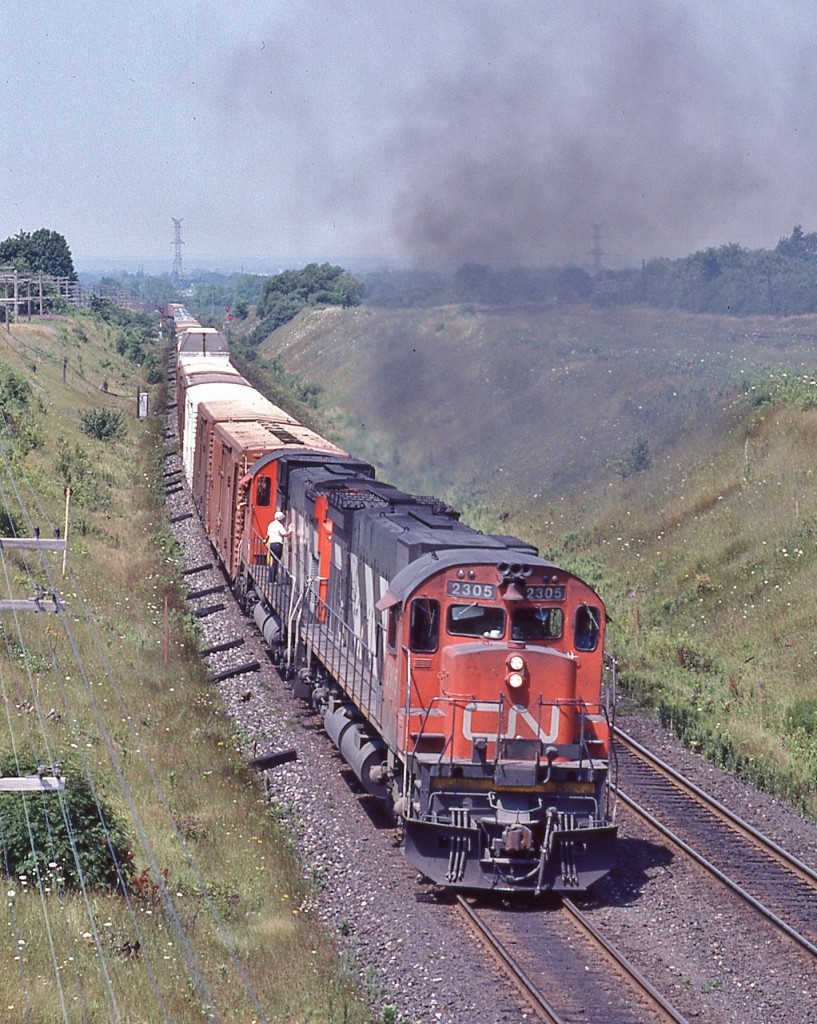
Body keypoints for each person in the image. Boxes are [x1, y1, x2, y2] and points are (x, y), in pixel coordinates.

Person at [266, 511, 292, 581]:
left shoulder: (271, 524)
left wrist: (265, 541)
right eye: (283, 518)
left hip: (271, 545)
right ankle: (272, 579)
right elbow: (284, 534)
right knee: (276, 562)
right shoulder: (279, 525)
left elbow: (267, 535)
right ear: (280, 519)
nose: (284, 519)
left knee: (274, 562)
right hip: (277, 545)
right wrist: (290, 530)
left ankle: (271, 579)